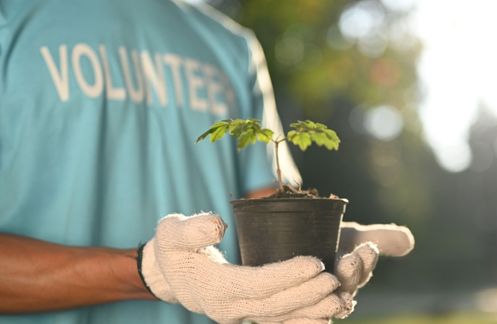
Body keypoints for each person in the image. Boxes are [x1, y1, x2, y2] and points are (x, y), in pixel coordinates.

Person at [0, 0, 414, 323]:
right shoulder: (11, 15)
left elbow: (268, 203)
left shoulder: (234, 47)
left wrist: (312, 250)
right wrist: (148, 271)